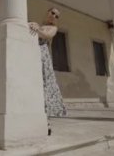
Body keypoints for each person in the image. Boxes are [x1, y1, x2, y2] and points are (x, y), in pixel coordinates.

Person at [29, 7, 67, 136]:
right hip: (33, 56)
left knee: (45, 88)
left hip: (43, 58)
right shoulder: (39, 25)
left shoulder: (53, 28)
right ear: (47, 12)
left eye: (57, 16)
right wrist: (31, 24)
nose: (54, 16)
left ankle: (47, 123)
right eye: (53, 13)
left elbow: (46, 35)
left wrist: (36, 27)